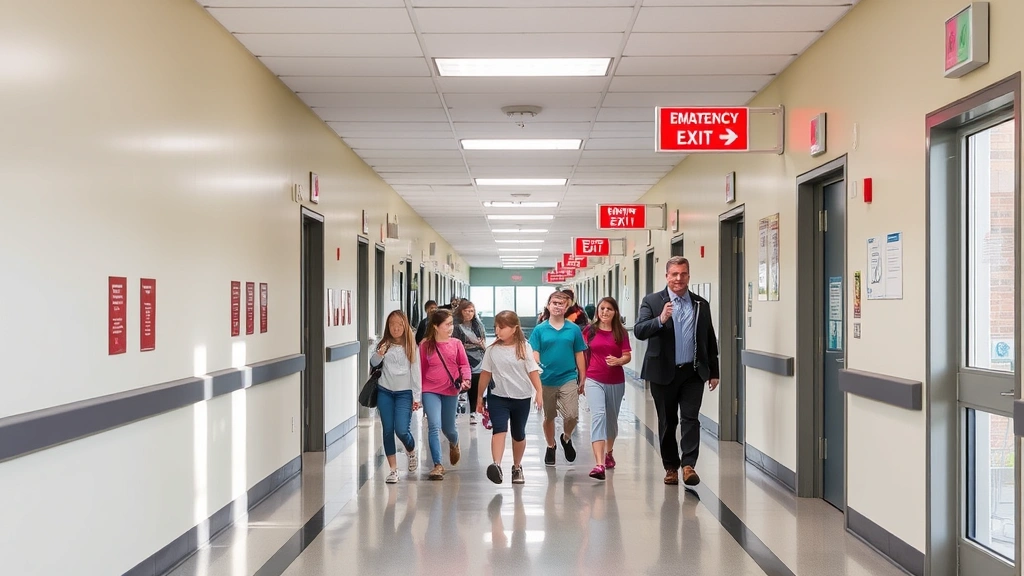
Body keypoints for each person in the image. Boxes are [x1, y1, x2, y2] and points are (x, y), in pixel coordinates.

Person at [634, 256, 720, 486]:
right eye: (674, 274)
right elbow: (639, 330)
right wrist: (660, 319)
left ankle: (688, 465)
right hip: (662, 372)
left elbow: (709, 338)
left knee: (691, 419)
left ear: (689, 276)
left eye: (683, 274)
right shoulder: (652, 301)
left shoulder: (700, 304)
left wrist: (714, 371)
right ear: (667, 276)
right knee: (667, 421)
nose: (679, 278)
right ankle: (671, 467)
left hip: (692, 373)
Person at [477, 311, 543, 485]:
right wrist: (479, 397)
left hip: (521, 397)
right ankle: (496, 465)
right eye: (496, 327)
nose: (497, 331)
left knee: (518, 433)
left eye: (502, 327)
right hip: (498, 396)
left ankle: (517, 466)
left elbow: (533, 371)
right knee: (499, 429)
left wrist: (539, 392)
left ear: (514, 328)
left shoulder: (524, 347)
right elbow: (485, 374)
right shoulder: (492, 350)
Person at [529, 290, 587, 467]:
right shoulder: (540, 330)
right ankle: (550, 446)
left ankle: (566, 438)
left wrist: (582, 377)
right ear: (548, 306)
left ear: (566, 307)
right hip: (546, 379)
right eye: (554, 303)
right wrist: (537, 365)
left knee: (572, 415)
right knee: (549, 416)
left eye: (561, 304)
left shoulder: (573, 329)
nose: (557, 306)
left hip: (568, 377)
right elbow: (535, 352)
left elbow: (579, 353)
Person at [582, 297, 631, 480]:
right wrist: (581, 377)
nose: (604, 312)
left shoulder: (621, 332)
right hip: (593, 379)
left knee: (611, 420)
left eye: (609, 309)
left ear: (615, 312)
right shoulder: (589, 331)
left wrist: (618, 361)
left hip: (615, 381)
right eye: (602, 308)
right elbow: (581, 354)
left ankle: (609, 453)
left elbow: (627, 355)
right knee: (599, 416)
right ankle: (599, 464)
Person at [419, 309, 471, 480]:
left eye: (451, 324)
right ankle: (437, 465)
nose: (451, 327)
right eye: (447, 324)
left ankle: (454, 442)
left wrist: (466, 379)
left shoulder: (456, 344)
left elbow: (464, 364)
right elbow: (420, 370)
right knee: (434, 425)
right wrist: (417, 394)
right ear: (436, 326)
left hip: (450, 389)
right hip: (430, 390)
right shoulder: (425, 345)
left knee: (448, 428)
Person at [370, 311, 421, 483]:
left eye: (399, 324)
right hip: (385, 391)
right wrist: (380, 354)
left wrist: (417, 396)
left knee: (401, 430)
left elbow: (416, 372)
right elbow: (373, 363)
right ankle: (393, 470)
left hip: (404, 393)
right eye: (392, 324)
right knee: (387, 430)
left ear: (405, 325)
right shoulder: (383, 344)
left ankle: (411, 451)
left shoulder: (411, 346)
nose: (396, 327)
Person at [452, 299, 487, 424]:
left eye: (471, 311)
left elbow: (482, 342)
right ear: (461, 311)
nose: (469, 313)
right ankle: (454, 411)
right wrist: (468, 345)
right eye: (466, 311)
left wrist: (478, 345)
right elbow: (455, 343)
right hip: (462, 359)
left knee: (475, 386)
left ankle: (473, 412)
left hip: (478, 360)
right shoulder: (455, 326)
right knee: (459, 385)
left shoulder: (478, 325)